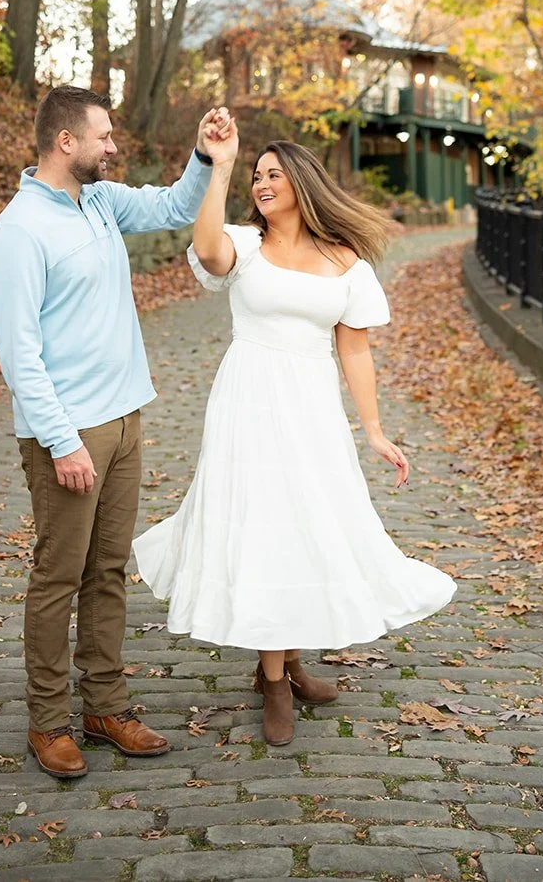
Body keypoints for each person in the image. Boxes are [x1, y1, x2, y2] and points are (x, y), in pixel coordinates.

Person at [132, 140, 457, 746]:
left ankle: (284, 663)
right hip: (248, 403)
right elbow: (206, 249)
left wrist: (376, 431)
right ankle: (277, 681)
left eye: (272, 175)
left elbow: (354, 350)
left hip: (311, 407)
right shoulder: (245, 244)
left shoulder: (346, 263)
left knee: (306, 525)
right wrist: (220, 167)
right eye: (256, 176)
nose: (262, 184)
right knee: (264, 528)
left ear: (302, 182)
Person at [0, 85, 240, 778]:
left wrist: (205, 156)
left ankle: (105, 704)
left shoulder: (98, 201)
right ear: (66, 142)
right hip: (68, 431)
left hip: (126, 418)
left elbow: (172, 206)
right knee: (58, 575)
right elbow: (19, 353)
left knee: (108, 572)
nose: (112, 145)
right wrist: (61, 440)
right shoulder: (17, 232)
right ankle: (46, 721)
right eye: (103, 136)